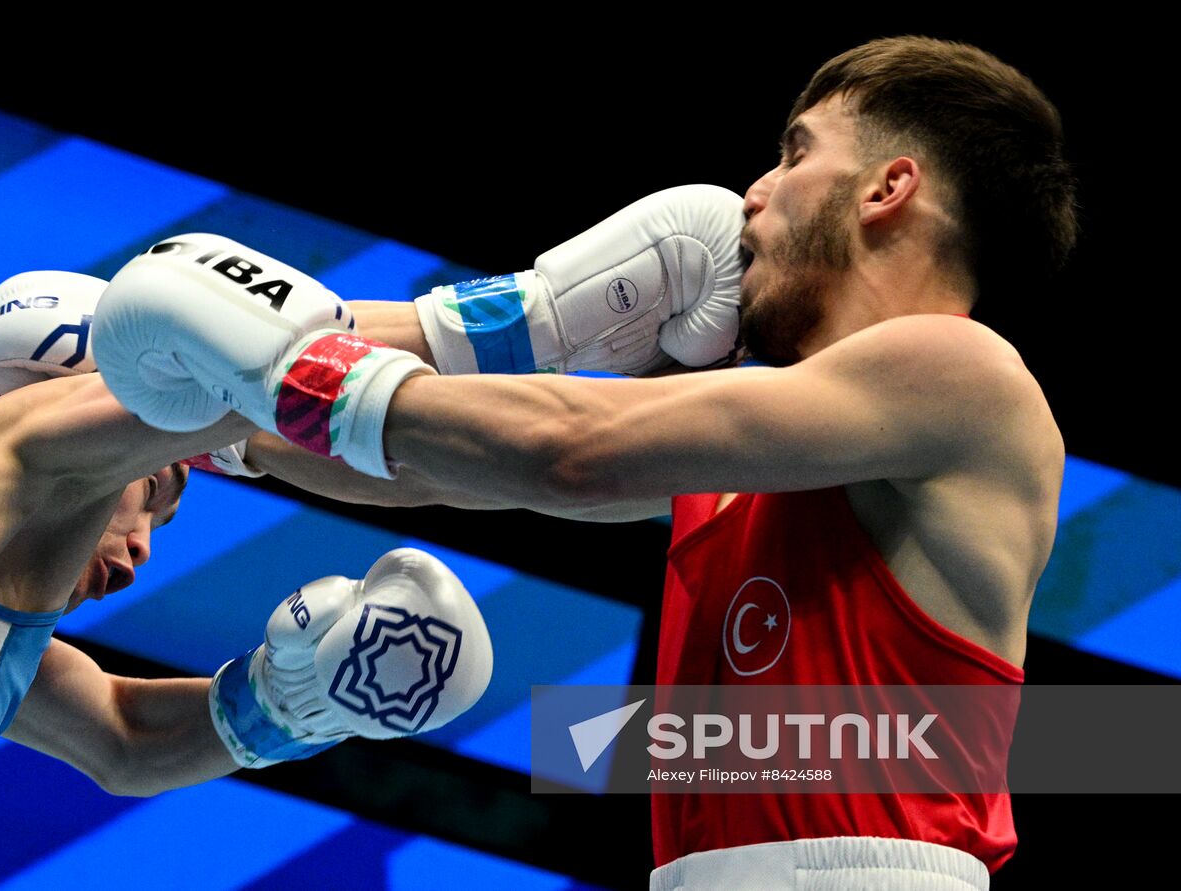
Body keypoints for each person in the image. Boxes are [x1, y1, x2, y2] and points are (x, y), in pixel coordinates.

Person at [86, 35, 1075, 890]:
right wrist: (178, 411)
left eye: (792, 152)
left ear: (887, 186)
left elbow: (571, 451)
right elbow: (437, 464)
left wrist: (267, 363)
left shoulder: (957, 368)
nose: (754, 192)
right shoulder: (770, 437)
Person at [0, 271, 493, 891]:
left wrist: (296, 700)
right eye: (148, 484)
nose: (143, 551)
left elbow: (123, 734)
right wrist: (519, 321)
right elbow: (281, 388)